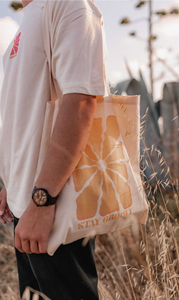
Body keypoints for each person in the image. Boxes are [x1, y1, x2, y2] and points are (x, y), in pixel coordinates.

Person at [0, 0, 107, 298]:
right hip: (28, 207)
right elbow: (24, 116)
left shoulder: (69, 5)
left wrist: (43, 200)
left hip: (52, 206)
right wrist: (13, 184)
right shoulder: (25, 24)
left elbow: (81, 102)